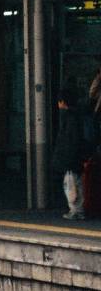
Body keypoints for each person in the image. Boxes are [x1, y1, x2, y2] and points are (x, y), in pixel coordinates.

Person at [52, 86, 92, 220]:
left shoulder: (68, 118)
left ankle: (76, 210)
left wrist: (66, 158)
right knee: (77, 184)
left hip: (70, 158)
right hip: (76, 157)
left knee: (70, 185)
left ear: (62, 102)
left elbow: (68, 140)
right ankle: (78, 210)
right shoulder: (77, 117)